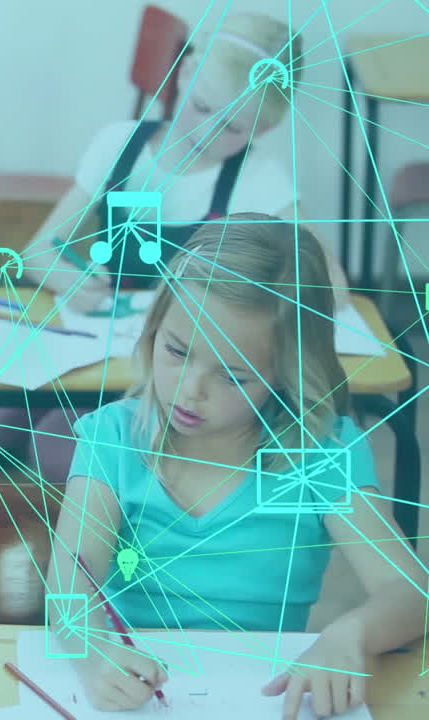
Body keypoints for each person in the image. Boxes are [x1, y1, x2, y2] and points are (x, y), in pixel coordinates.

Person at [0, 12, 351, 486]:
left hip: (156, 379)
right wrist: (68, 276)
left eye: (233, 128)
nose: (206, 134)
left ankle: (37, 489)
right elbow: (38, 252)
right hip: (81, 351)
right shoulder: (118, 147)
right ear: (182, 75)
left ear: (262, 132)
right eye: (202, 108)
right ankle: (21, 476)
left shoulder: (258, 179)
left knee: (57, 453)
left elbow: (333, 288)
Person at [44, 216, 425, 719]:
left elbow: (413, 593)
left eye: (233, 377)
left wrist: (351, 633)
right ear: (153, 329)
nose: (189, 390)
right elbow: (69, 580)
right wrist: (93, 653)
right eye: (176, 351)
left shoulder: (321, 453)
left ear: (286, 373)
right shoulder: (112, 437)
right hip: (130, 700)